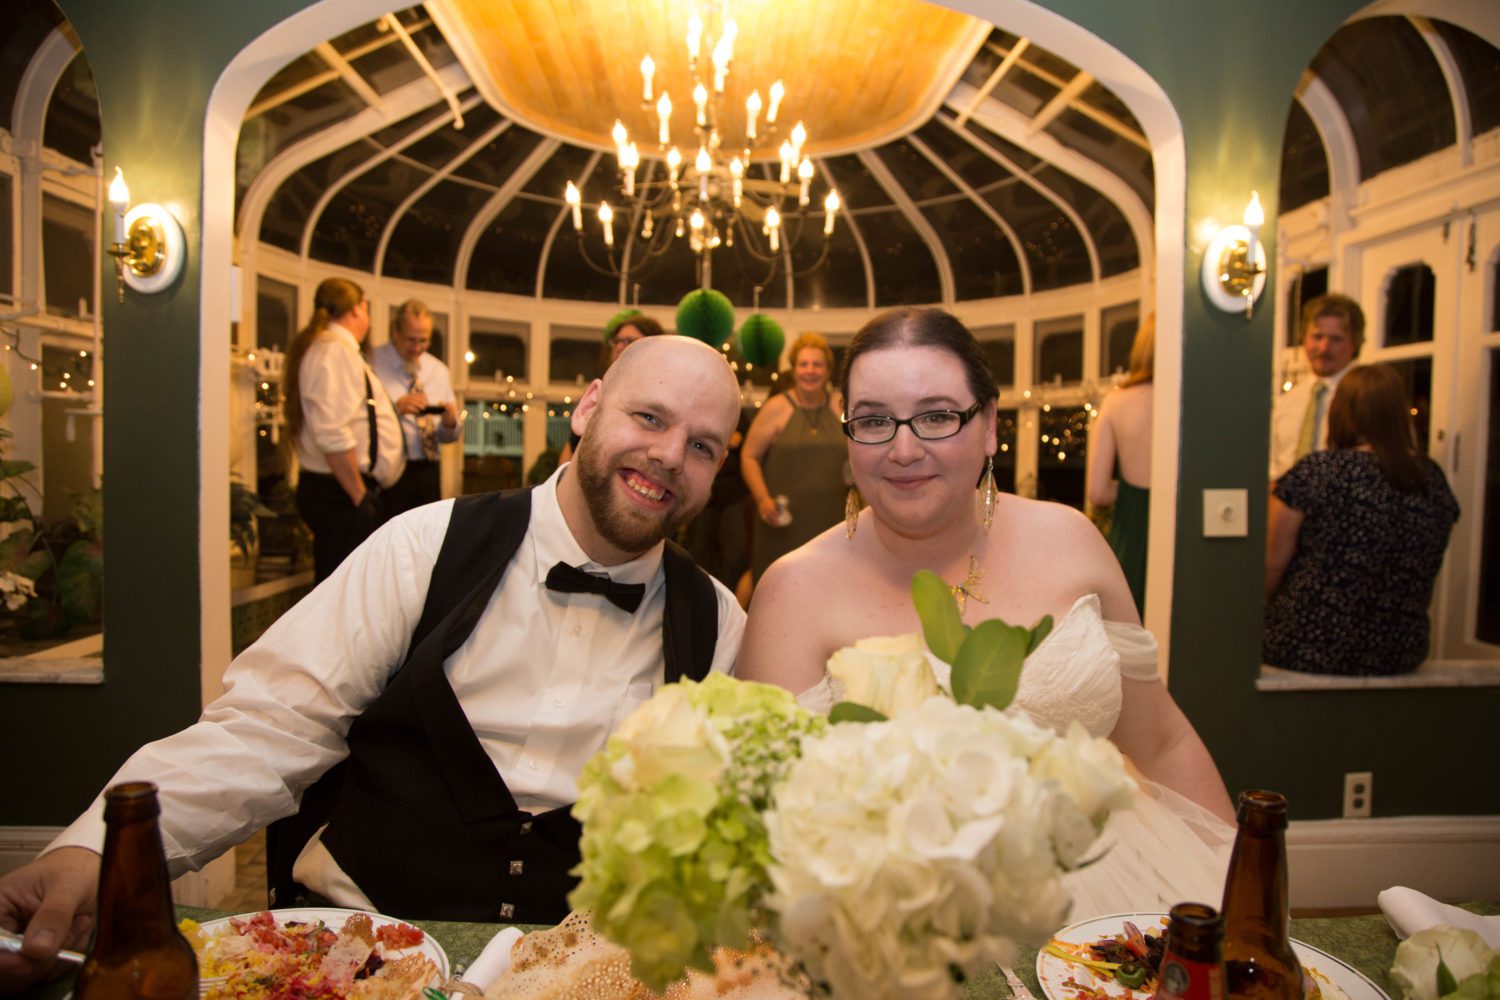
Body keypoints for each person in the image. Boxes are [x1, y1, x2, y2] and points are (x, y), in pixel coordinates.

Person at [0, 336, 747, 989]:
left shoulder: (720, 625)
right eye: (648, 417)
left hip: (569, 978)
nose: (669, 456)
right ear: (588, 409)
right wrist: (91, 853)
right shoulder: (421, 546)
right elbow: (263, 730)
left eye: (704, 445)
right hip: (351, 958)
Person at [738, 307, 1235, 918]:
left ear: (990, 424)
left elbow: (1162, 742)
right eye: (872, 421)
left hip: (1113, 902)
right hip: (887, 929)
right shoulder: (793, 590)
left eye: (937, 416)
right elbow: (767, 827)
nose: (903, 448)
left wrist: (1241, 894)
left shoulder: (1073, 540)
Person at [1264, 364, 1459, 676]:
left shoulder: (1319, 471)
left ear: (1342, 412)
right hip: (1399, 650)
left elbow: (1272, 566)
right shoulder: (1430, 477)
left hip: (1307, 644)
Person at [285, 278, 406, 581]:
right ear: (358, 308)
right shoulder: (332, 351)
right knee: (342, 594)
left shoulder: (333, 349)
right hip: (340, 493)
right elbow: (332, 433)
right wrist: (359, 496)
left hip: (342, 492)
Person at [740, 332, 847, 586]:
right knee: (777, 587)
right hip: (782, 521)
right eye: (804, 364)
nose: (810, 371)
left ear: (828, 370)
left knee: (829, 587)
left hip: (832, 521)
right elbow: (749, 456)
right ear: (794, 369)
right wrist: (762, 499)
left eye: (817, 364)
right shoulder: (777, 407)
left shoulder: (841, 406)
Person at [1086, 316, 1155, 614]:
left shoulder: (1117, 402)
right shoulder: (1195, 402)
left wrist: (1132, 493)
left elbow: (1098, 492)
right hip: (1185, 532)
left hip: (1132, 533)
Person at [371, 299, 462, 518]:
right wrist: (395, 409)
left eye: (424, 341)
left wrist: (450, 424)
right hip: (389, 469)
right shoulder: (373, 363)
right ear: (395, 332)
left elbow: (448, 436)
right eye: (411, 340)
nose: (418, 348)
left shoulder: (438, 370)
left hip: (427, 468)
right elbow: (360, 418)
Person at [1269, 293, 1363, 481]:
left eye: (1336, 339)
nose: (1324, 347)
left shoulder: (1366, 398)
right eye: (1317, 336)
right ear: (1304, 338)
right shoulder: (1288, 401)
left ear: (1354, 342)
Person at [558, 311, 665, 464]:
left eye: (629, 341)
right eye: (617, 341)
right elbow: (572, 447)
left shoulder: (660, 395)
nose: (620, 346)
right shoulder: (601, 392)